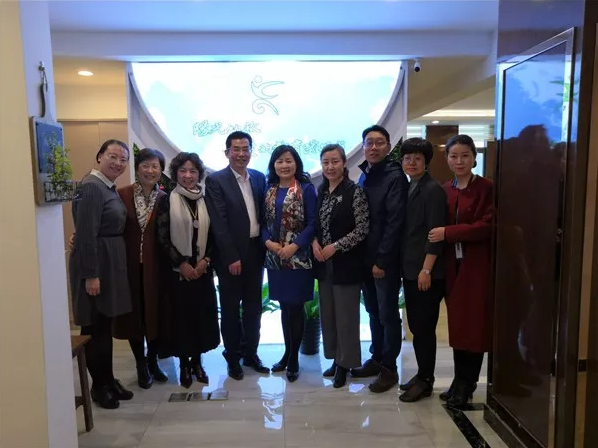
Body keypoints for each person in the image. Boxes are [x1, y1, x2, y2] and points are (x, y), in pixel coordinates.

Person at [428, 134, 494, 409]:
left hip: (476, 266)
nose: (459, 161)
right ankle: (458, 380)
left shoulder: (486, 188)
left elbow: (487, 226)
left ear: (474, 158)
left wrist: (449, 232)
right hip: (451, 267)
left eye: (465, 155)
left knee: (474, 326)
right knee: (457, 325)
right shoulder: (445, 189)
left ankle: (468, 384)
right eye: (454, 156)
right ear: (447, 159)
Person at [69, 139, 134, 409]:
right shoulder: (92, 187)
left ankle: (108, 379)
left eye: (123, 159)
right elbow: (86, 235)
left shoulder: (106, 186)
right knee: (94, 328)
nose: (118, 163)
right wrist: (91, 275)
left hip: (109, 262)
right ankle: (99, 387)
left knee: (104, 327)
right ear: (99, 156)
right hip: (96, 265)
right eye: (112, 156)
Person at [205, 131, 269, 380]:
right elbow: (219, 223)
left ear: (251, 151)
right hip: (230, 256)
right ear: (227, 152)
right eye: (236, 149)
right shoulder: (216, 180)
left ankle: (250, 353)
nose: (241, 154)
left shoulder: (259, 177)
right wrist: (232, 257)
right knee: (231, 309)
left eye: (246, 149)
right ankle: (232, 357)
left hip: (255, 252)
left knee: (254, 308)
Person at [351, 124, 408, 393]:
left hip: (383, 261)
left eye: (379, 142)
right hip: (365, 258)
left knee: (387, 314)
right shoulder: (367, 174)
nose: (373, 147)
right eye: (369, 143)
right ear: (363, 147)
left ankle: (389, 368)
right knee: (373, 312)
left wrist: (382, 260)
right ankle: (376, 358)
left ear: (388, 146)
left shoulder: (395, 177)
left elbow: (395, 222)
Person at [156, 152, 220, 388]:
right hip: (178, 273)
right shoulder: (166, 200)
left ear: (199, 174)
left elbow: (215, 234)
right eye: (183, 171)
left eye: (193, 171)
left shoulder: (206, 199)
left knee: (200, 317)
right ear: (175, 174)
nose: (188, 175)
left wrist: (206, 260)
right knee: (181, 319)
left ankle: (197, 363)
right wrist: (181, 264)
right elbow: (162, 237)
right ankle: (184, 364)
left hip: (202, 271)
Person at [313, 144, 369, 389]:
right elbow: (314, 224)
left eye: (335, 161)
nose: (330, 166)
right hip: (324, 265)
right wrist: (314, 242)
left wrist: (336, 246)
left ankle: (346, 364)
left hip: (346, 263)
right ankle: (336, 358)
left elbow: (362, 229)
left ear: (344, 163)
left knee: (346, 317)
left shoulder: (355, 192)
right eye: (325, 162)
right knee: (329, 315)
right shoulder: (321, 192)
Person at [112, 148, 169, 389]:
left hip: (157, 268)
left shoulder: (165, 198)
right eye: (146, 165)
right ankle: (140, 363)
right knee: (134, 316)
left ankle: (153, 360)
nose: (150, 171)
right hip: (129, 266)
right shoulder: (121, 195)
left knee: (155, 314)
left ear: (161, 171)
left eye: (155, 166)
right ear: (137, 168)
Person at [397, 137, 447, 403]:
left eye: (417, 158)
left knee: (424, 327)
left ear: (426, 162)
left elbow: (434, 234)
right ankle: (421, 374)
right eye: (407, 158)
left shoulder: (432, 190)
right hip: (411, 268)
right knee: (417, 325)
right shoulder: (410, 186)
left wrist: (426, 270)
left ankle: (426, 381)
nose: (412, 162)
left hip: (426, 271)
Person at [262, 145, 317, 382]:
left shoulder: (306, 188)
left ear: (296, 163)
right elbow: (263, 222)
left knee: (295, 307)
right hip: (275, 257)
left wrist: (295, 246)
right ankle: (287, 353)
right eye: (280, 161)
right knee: (285, 307)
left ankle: (294, 358)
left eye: (289, 160)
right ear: (273, 165)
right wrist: (268, 242)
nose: (284, 165)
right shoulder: (269, 188)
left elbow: (313, 223)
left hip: (299, 258)